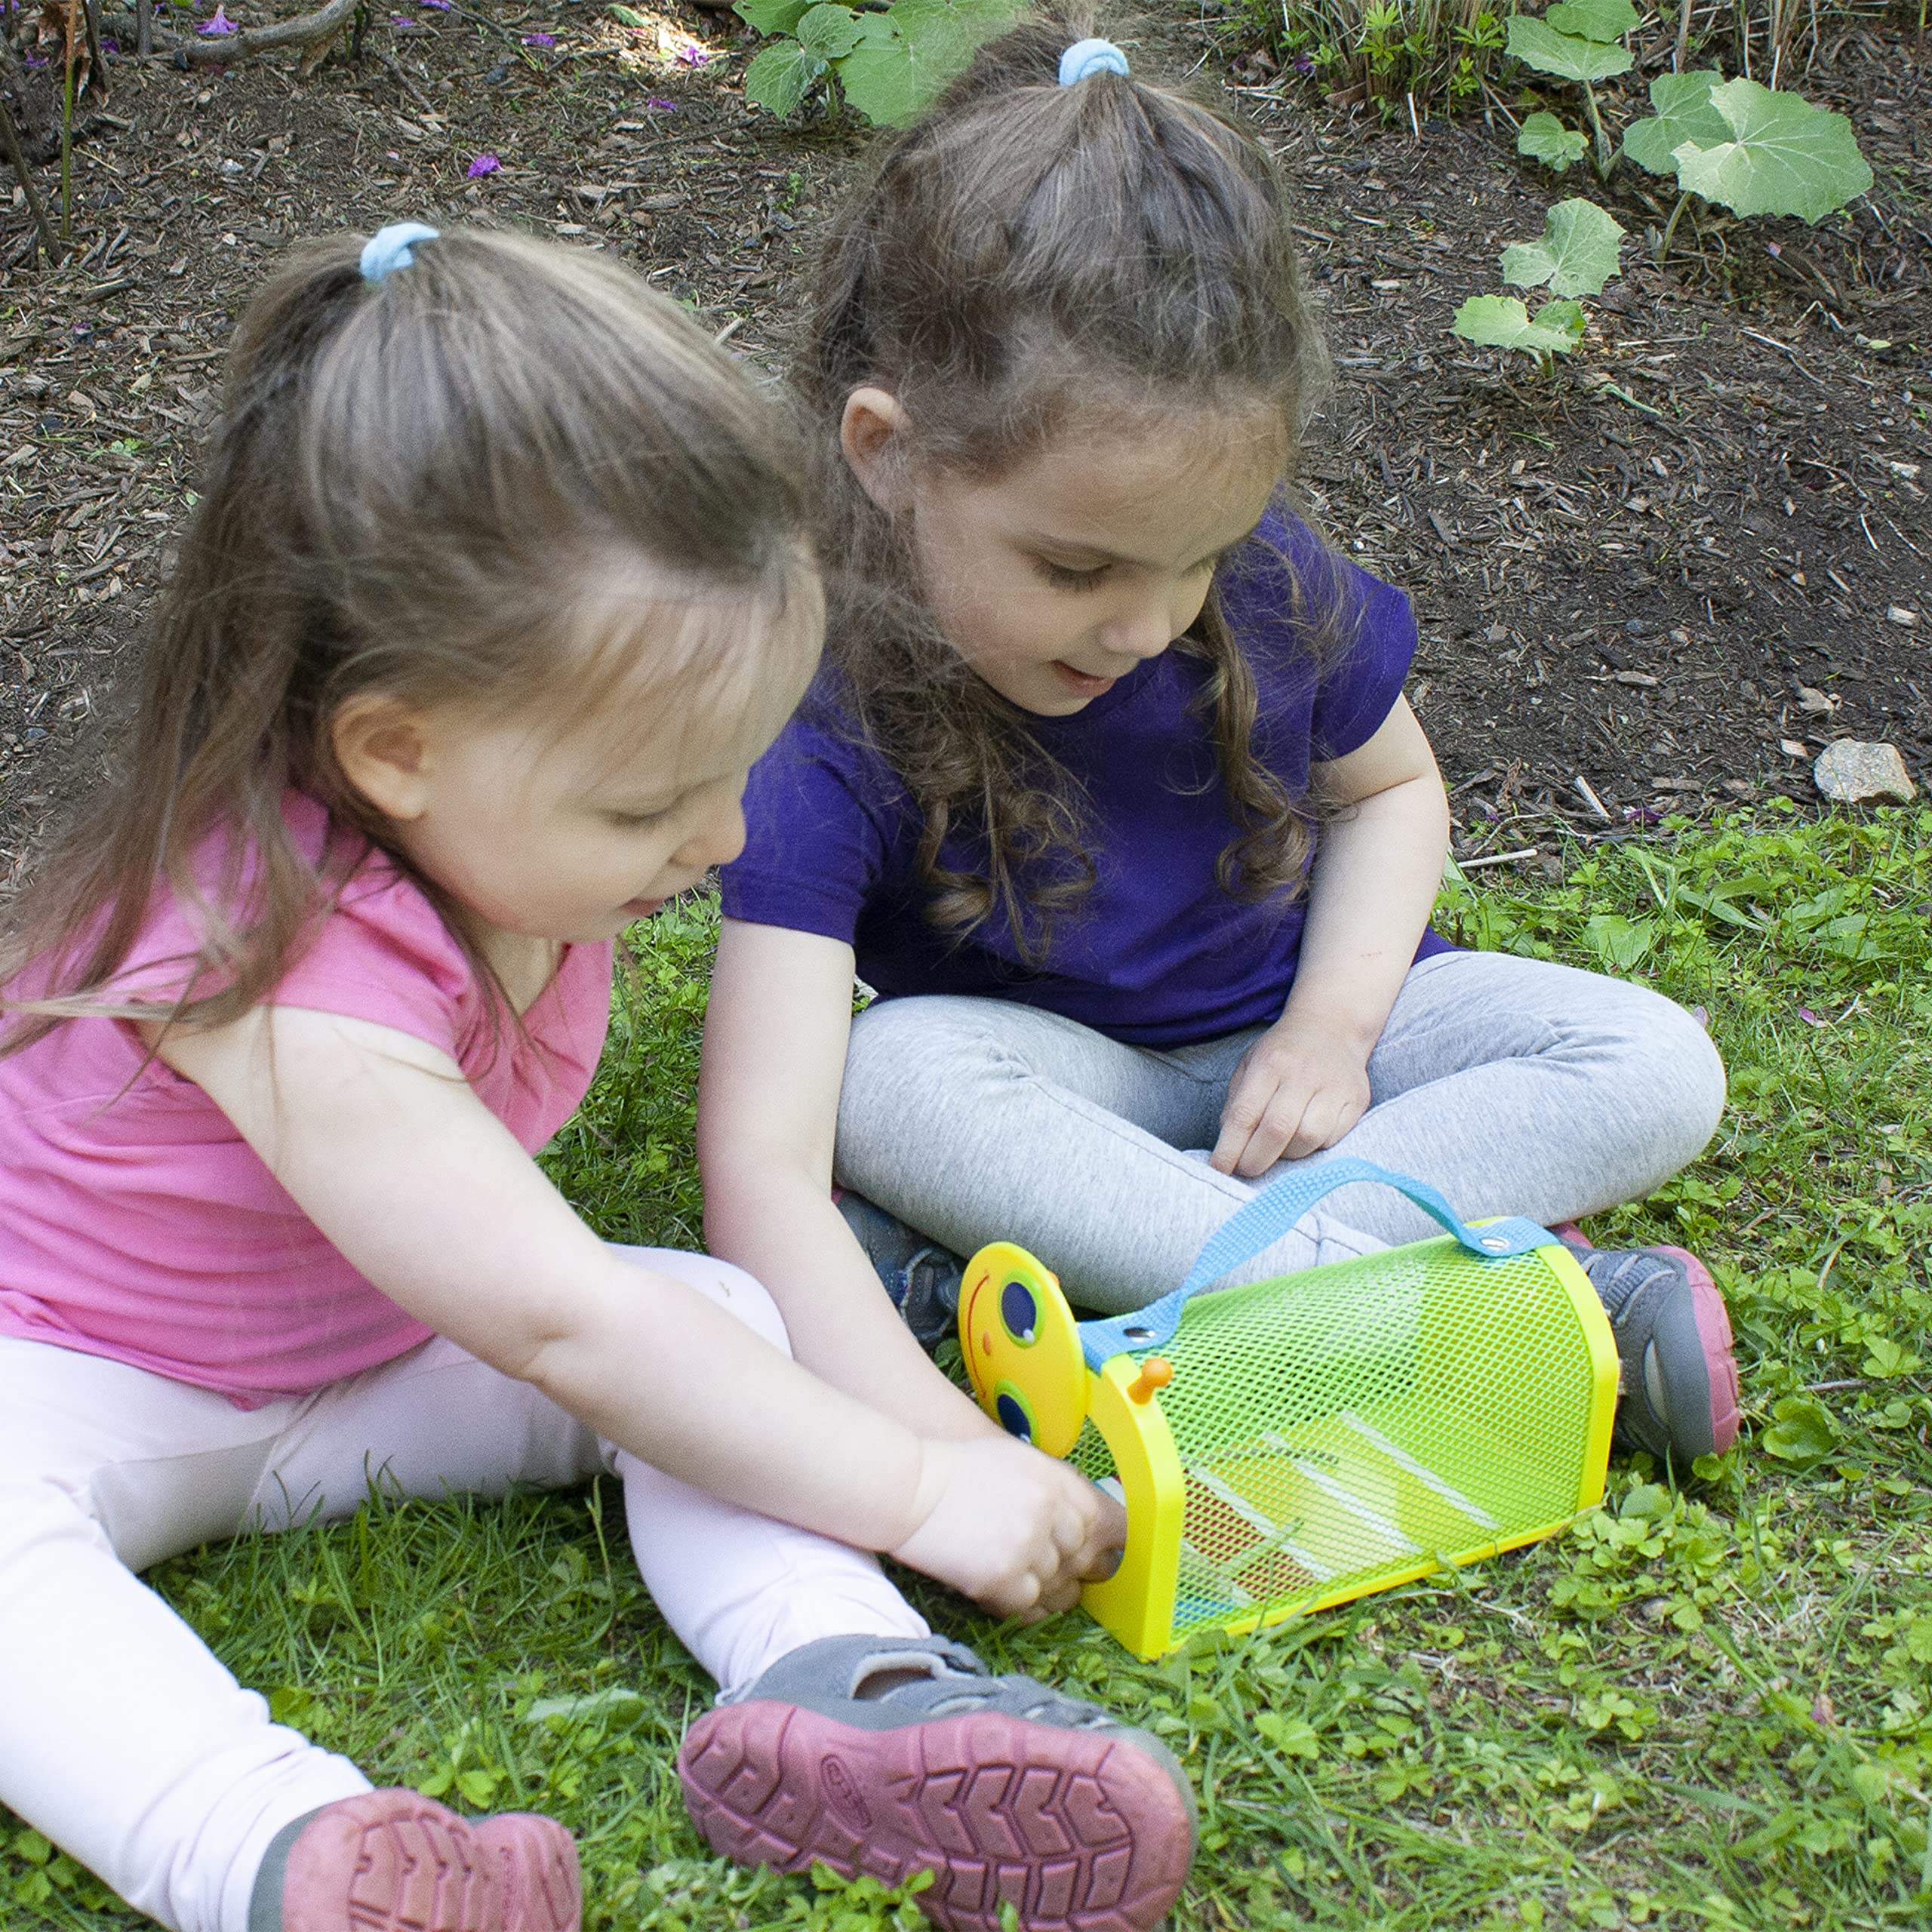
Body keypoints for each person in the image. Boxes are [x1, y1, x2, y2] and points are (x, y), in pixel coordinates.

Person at [0, 224, 1197, 1932]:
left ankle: (850, 1683)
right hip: (70, 1378)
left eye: (730, 776)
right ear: (393, 747)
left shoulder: (511, 823)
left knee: (712, 1309)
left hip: (374, 1360)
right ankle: (279, 1852)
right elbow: (563, 1317)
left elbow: (589, 1317)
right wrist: (919, 1479)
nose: (713, 844)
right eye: (648, 807)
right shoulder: (258, 957)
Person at [697, 17, 1740, 1476]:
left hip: (1314, 1048)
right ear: (887, 453)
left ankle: (1143, 1273)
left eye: (1199, 558)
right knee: (892, 1084)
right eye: (1075, 571)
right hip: (1062, 1083)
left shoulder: (1262, 587)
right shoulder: (822, 719)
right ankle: (1492, 1313)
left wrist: (1332, 1028)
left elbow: (1391, 795)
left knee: (1649, 1060)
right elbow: (762, 1156)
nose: (1145, 620)